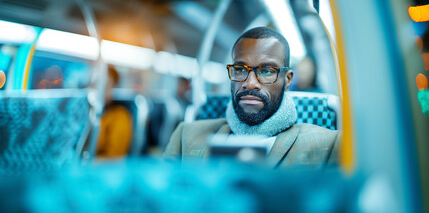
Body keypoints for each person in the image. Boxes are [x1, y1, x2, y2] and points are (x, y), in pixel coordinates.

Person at [163, 27, 340, 168]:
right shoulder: (185, 136)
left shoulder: (328, 145)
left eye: (266, 71)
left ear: (287, 80)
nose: (250, 83)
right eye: (240, 70)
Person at [96, 65, 133, 158]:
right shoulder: (87, 115)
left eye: (105, 86)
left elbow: (113, 160)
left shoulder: (120, 117)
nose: (98, 91)